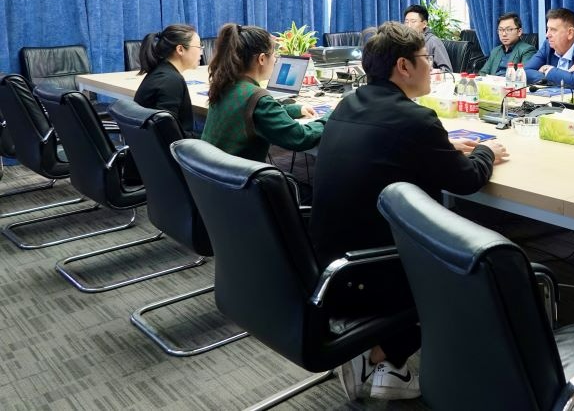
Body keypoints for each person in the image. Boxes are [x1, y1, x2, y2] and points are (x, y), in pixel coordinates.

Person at [311, 21, 508, 401]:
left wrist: (441, 146)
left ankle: (391, 368)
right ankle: (374, 354)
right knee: (469, 274)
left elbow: (393, 145)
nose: (431, 65)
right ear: (403, 66)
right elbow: (467, 180)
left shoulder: (349, 103)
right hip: (373, 269)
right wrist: (486, 152)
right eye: (425, 58)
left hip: (330, 262)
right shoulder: (415, 119)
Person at [200, 23, 327, 162]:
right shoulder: (258, 98)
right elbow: (301, 138)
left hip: (211, 170)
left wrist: (295, 110)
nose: (275, 60)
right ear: (261, 59)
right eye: (274, 55)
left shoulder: (225, 85)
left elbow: (252, 112)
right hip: (242, 174)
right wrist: (330, 118)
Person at [133, 24, 202, 137]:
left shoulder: (160, 71)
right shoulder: (171, 81)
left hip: (146, 145)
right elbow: (168, 134)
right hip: (170, 147)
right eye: (199, 47)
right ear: (180, 49)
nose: (201, 52)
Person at [478, 11, 536, 76]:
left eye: (509, 29)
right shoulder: (495, 51)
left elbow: (523, 75)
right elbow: (483, 73)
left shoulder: (527, 50)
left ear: (519, 32)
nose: (504, 34)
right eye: (500, 30)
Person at [402, 4, 452, 72]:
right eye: (406, 22)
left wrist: (427, 71)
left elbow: (447, 71)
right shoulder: (403, 41)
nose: (409, 26)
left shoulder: (433, 42)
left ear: (424, 24)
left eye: (413, 21)